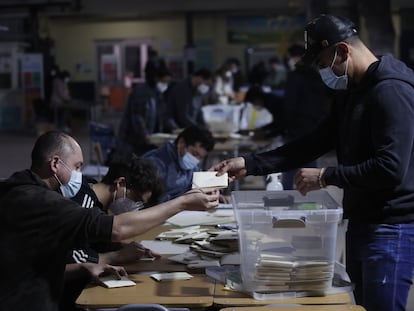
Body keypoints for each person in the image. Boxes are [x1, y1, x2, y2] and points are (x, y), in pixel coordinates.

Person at [210, 14, 414, 311]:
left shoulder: (391, 91)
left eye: (321, 63)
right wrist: (251, 163)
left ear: (343, 51)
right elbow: (314, 142)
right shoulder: (352, 91)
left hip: (390, 229)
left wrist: (326, 176)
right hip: (362, 222)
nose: (322, 72)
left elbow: (390, 169)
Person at [0, 130, 219, 310]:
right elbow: (117, 228)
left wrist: (84, 268)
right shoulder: (41, 201)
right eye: (77, 167)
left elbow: (35, 261)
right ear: (55, 163)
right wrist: (182, 203)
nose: (81, 175)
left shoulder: (23, 190)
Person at [62, 156, 163, 311]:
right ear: (120, 183)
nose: (135, 208)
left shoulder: (93, 194)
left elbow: (95, 240)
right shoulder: (84, 205)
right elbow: (70, 257)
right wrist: (117, 256)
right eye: (136, 199)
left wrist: (122, 247)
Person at [280, 43, 330, 190]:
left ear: (295, 58)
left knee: (290, 164)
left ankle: (287, 197)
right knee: (310, 165)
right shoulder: (317, 75)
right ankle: (309, 196)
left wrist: (285, 126)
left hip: (296, 128)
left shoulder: (294, 76)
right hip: (314, 126)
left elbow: (289, 105)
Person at [143, 126, 215, 202]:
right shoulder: (155, 162)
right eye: (194, 154)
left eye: (200, 157)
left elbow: (197, 185)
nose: (196, 160)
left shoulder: (191, 166)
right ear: (181, 143)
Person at [115, 66, 172, 158]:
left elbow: (163, 114)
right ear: (156, 79)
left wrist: (173, 128)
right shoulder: (142, 92)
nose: (165, 85)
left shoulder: (157, 94)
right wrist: (144, 134)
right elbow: (137, 117)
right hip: (133, 140)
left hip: (147, 140)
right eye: (164, 82)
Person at [164, 68, 212, 133]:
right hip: (178, 128)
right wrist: (198, 129)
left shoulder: (198, 90)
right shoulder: (182, 88)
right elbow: (183, 116)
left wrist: (205, 127)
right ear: (199, 78)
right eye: (206, 84)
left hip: (191, 128)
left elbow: (199, 112)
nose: (206, 87)